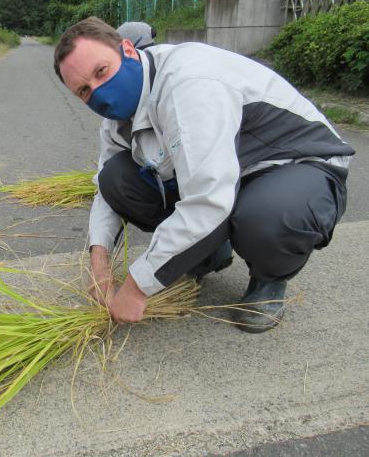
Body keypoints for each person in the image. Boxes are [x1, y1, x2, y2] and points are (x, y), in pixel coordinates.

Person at [54, 17, 354, 333]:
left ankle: (270, 278)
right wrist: (99, 264)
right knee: (116, 178)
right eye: (85, 90)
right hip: (227, 176)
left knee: (265, 217)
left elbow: (208, 201)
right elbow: (106, 190)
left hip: (293, 164)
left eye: (101, 71)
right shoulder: (117, 119)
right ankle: (208, 252)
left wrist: (137, 286)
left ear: (127, 50)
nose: (100, 92)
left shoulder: (188, 82)